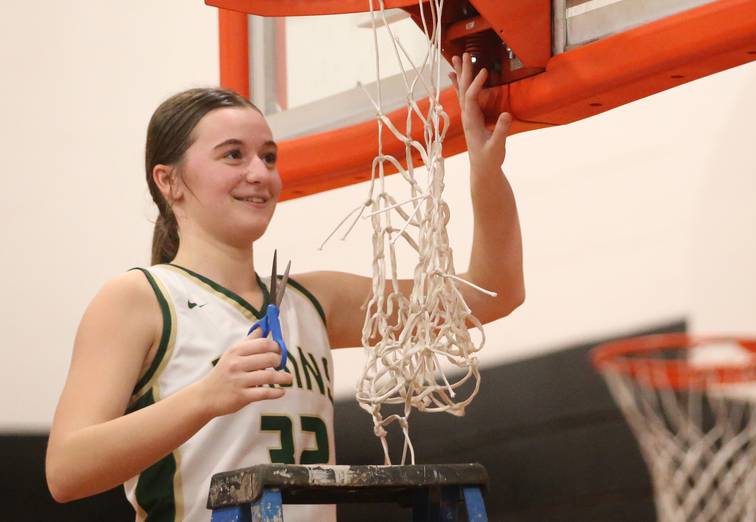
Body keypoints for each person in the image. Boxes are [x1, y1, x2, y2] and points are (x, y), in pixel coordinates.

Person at [45, 55, 525, 521]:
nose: (260, 173)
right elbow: (65, 472)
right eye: (234, 154)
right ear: (168, 181)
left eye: (268, 156)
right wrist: (205, 397)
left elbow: (490, 294)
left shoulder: (313, 300)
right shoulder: (140, 298)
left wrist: (487, 173)